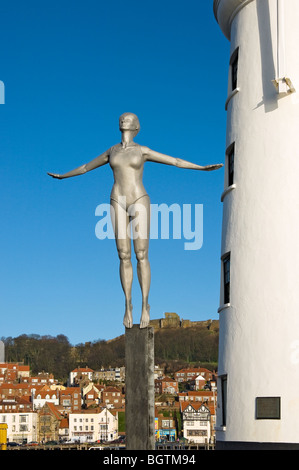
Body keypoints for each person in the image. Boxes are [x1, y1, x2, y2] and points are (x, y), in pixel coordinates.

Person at [48, 112, 223, 329]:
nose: (123, 120)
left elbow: (175, 161)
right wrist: (64, 175)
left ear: (136, 125)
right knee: (123, 255)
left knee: (141, 254)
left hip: (139, 199)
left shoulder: (142, 151)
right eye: (121, 118)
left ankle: (144, 305)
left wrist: (201, 168)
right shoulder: (111, 151)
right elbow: (85, 167)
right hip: (117, 200)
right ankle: (128, 304)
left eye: (129, 118)